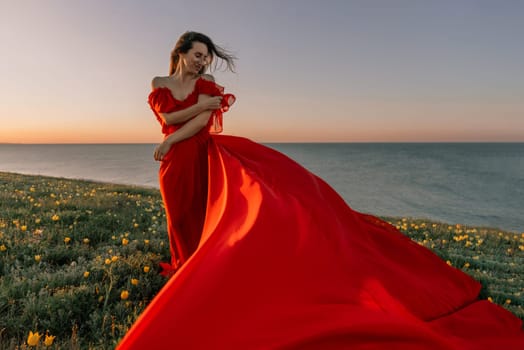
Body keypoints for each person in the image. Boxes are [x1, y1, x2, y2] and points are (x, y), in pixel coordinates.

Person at [117, 31, 524, 349]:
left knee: (211, 210)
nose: (204, 60)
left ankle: (198, 267)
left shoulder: (209, 89)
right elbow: (167, 113)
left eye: (208, 55)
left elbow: (194, 126)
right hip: (174, 161)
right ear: (182, 52)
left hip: (200, 153)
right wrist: (187, 122)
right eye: (198, 54)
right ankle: (182, 263)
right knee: (178, 211)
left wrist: (173, 137)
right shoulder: (162, 82)